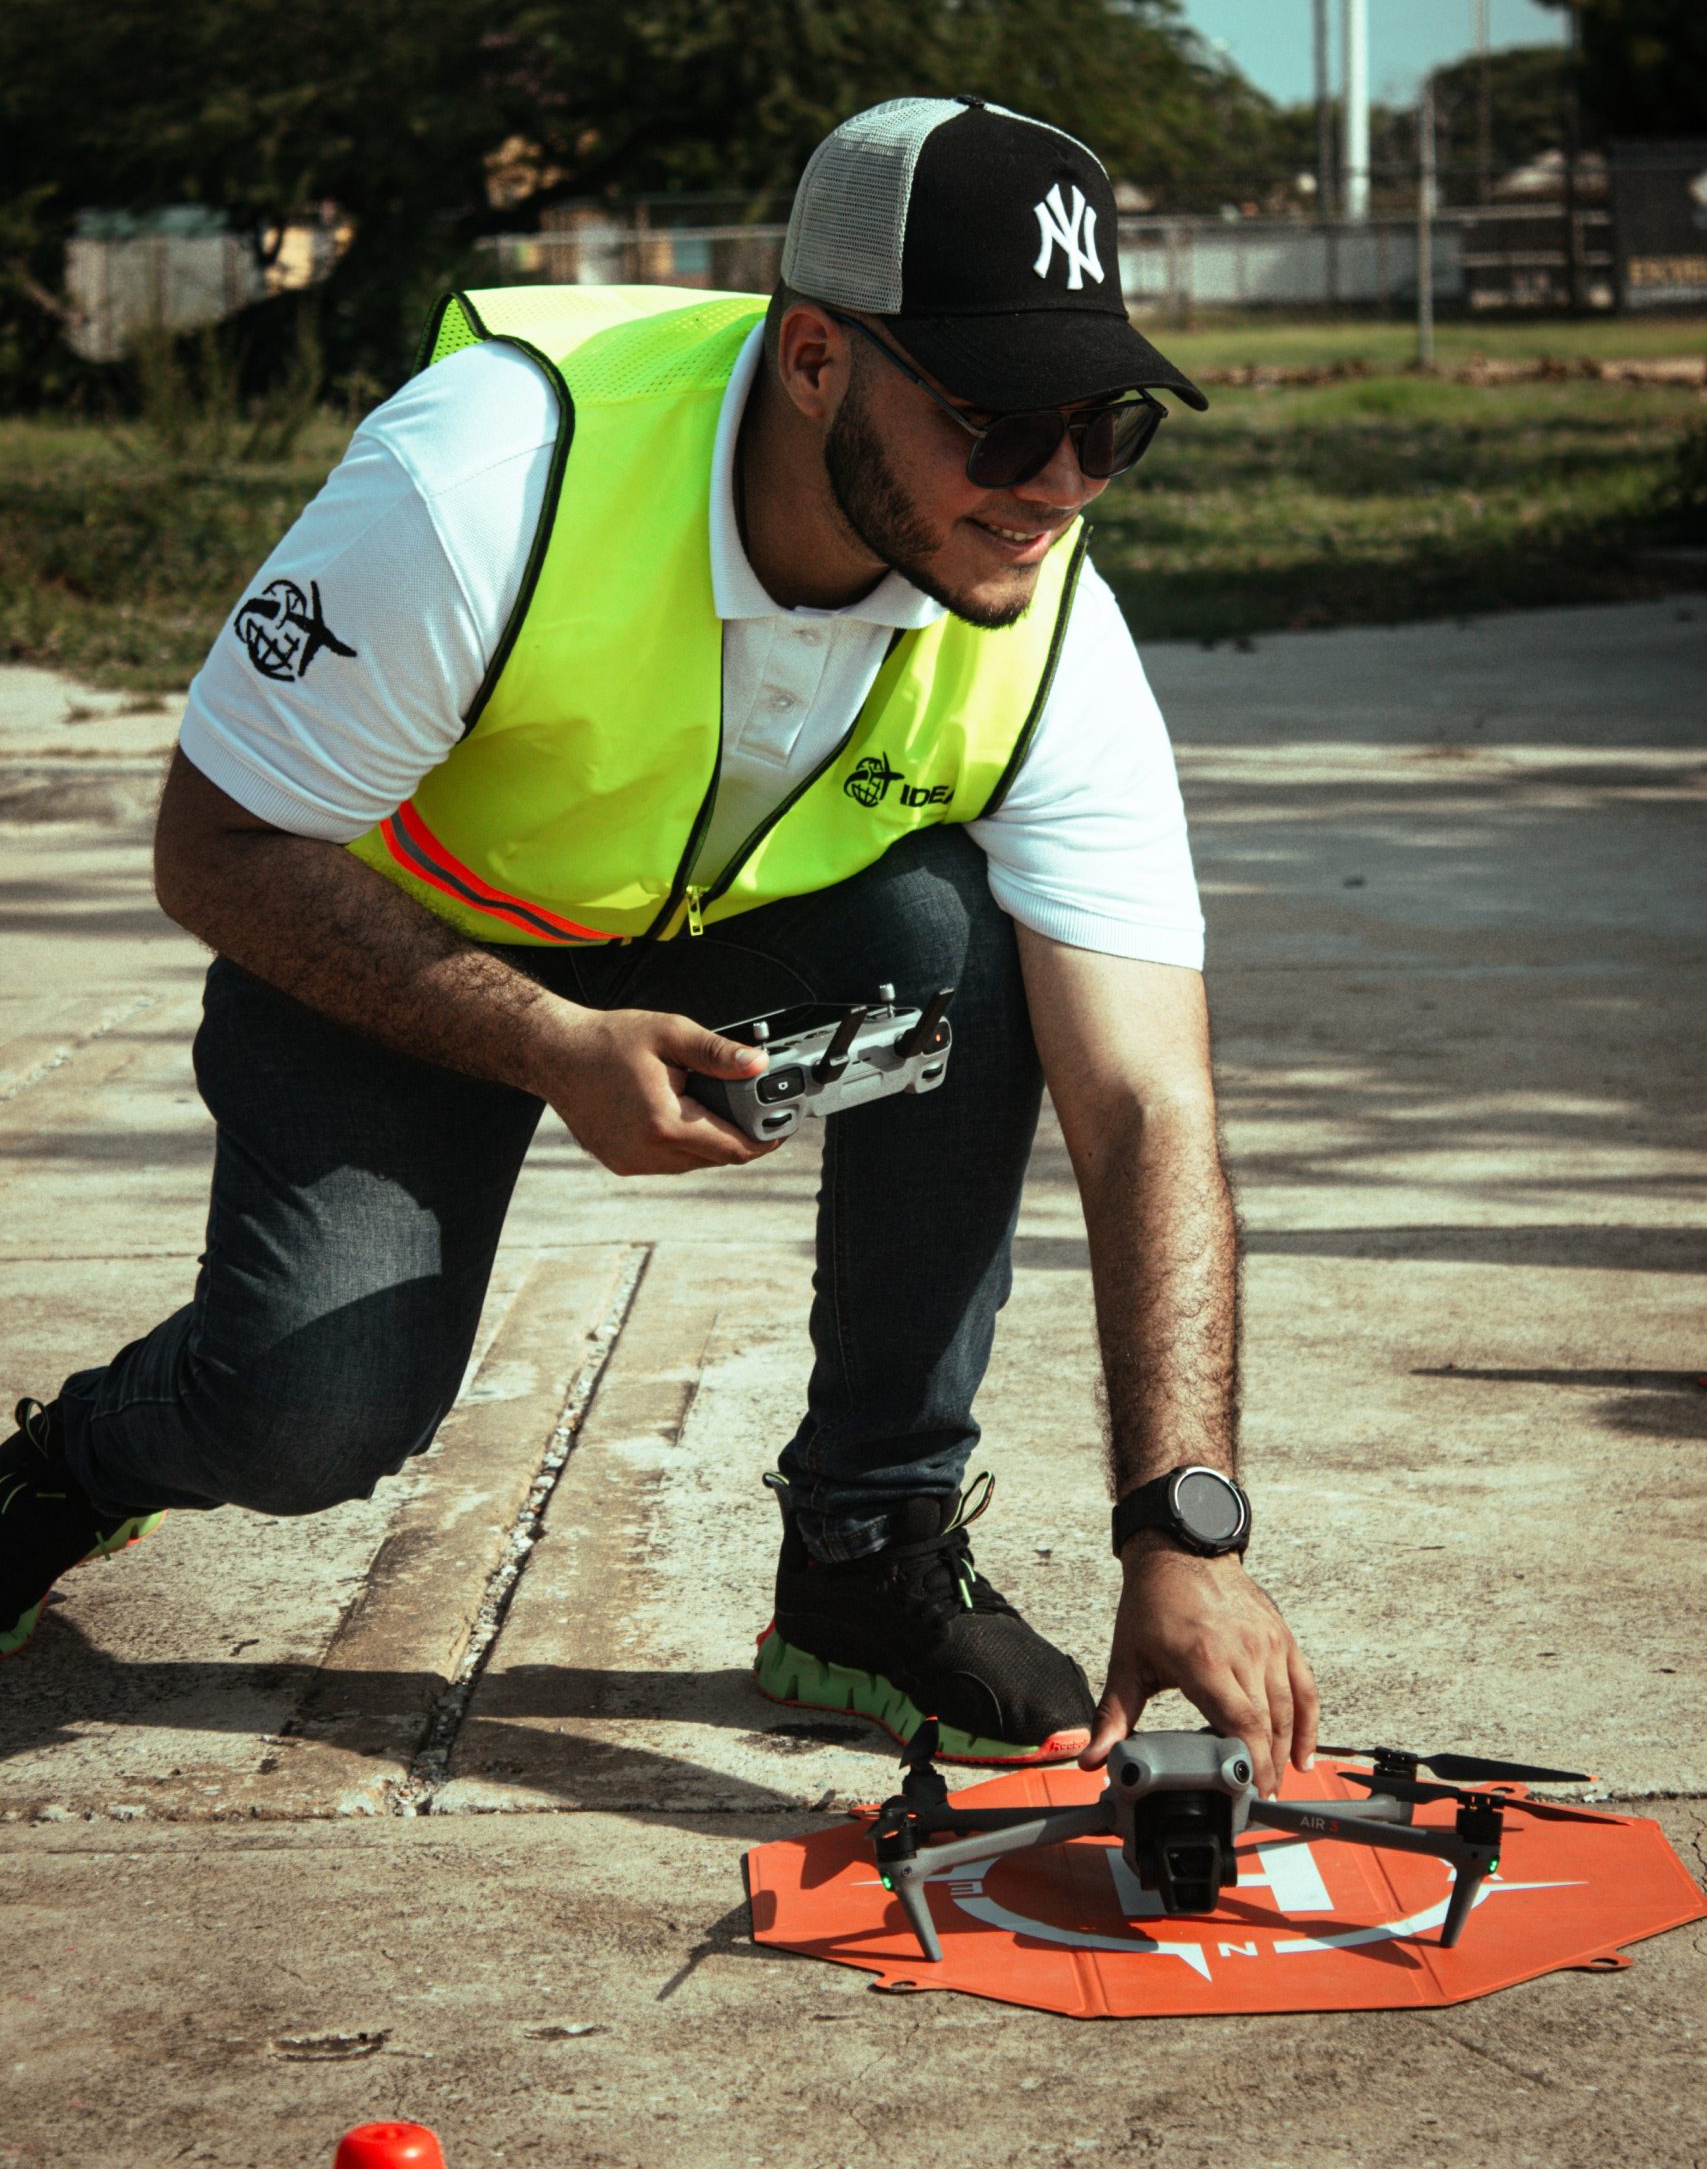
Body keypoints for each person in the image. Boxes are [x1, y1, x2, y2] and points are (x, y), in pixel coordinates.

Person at [0, 96, 1318, 1788]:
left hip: (718, 934)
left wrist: (1185, 1527)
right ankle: (65, 1469)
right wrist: (549, 1044)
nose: (1057, 488)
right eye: (998, 422)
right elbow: (218, 845)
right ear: (819, 360)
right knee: (307, 1420)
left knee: (968, 944)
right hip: (400, 941)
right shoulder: (483, 473)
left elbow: (1147, 1097)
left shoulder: (1050, 605)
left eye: (1108, 424)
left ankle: (866, 1558)